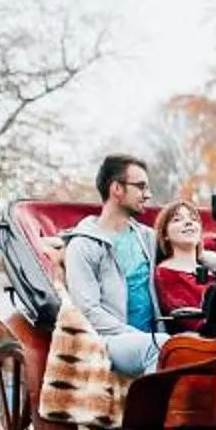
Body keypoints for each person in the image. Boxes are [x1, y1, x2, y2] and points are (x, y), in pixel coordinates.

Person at [62, 152, 162, 378]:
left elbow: (193, 249)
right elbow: (88, 311)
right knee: (161, 347)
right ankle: (146, 414)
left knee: (186, 348)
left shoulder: (147, 238)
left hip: (153, 337)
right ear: (117, 189)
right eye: (141, 187)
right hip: (108, 341)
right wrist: (135, 335)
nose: (148, 195)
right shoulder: (83, 245)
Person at [152, 200, 216, 324]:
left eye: (193, 219)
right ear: (165, 234)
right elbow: (190, 321)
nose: (188, 223)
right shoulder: (165, 273)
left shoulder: (214, 271)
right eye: (177, 220)